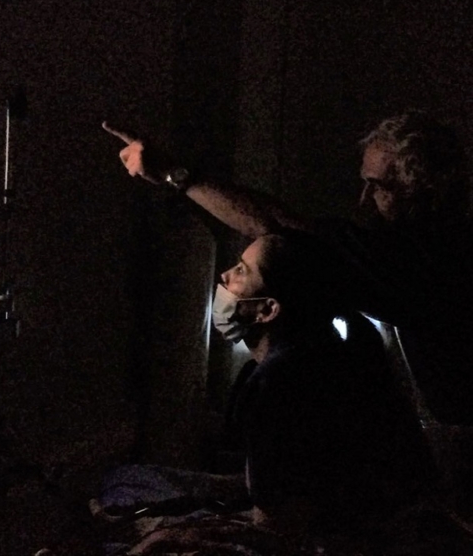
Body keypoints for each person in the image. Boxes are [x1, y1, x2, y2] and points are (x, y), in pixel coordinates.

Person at [104, 111, 473, 427]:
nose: (364, 201)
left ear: (421, 191)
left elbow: (277, 224)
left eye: (377, 187)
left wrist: (174, 173)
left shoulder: (420, 262)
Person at [92, 231, 447, 555]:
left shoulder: (281, 385)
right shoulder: (324, 356)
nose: (225, 277)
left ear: (268, 309)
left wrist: (160, 540)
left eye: (241, 271)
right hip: (393, 533)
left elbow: (279, 534)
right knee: (127, 482)